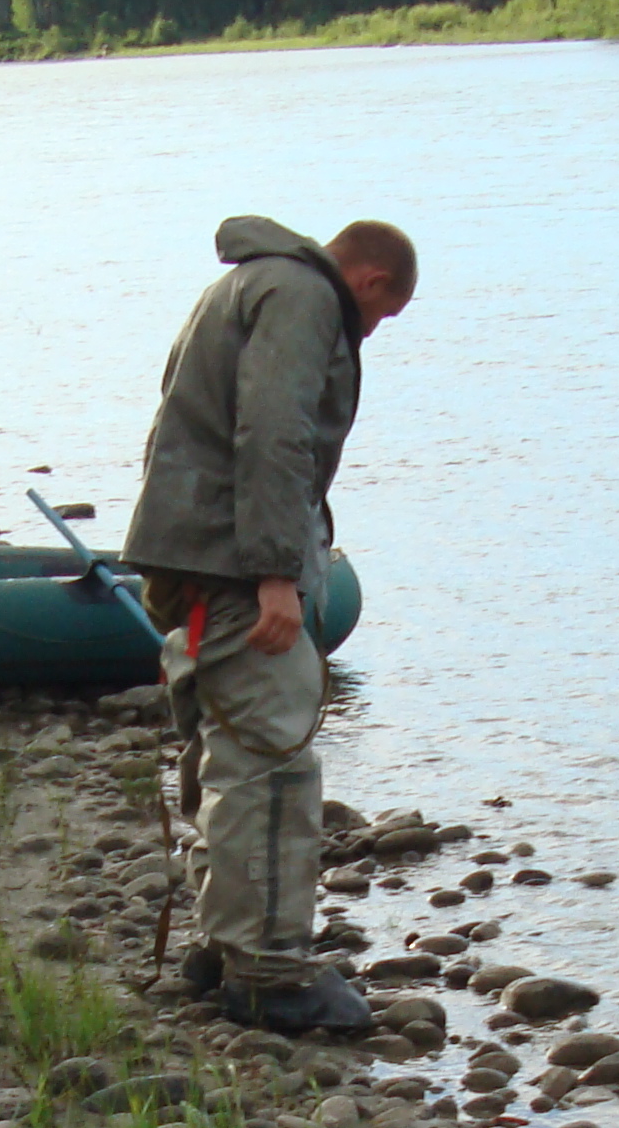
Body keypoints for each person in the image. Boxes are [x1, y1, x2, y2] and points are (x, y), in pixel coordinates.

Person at [122, 213, 413, 1037]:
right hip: (235, 566)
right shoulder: (303, 297)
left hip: (191, 559)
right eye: (382, 314)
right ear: (371, 282)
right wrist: (276, 574)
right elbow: (274, 433)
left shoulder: (245, 283)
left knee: (228, 751)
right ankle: (269, 972)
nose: (373, 330)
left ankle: (223, 948)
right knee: (275, 760)